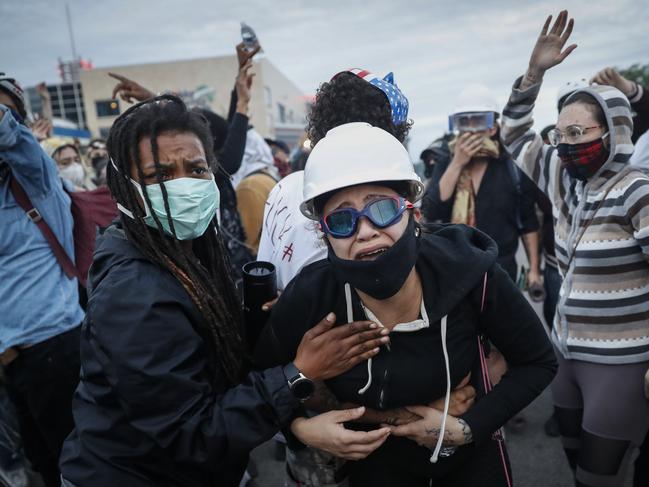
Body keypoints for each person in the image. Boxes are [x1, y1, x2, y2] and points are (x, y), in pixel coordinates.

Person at [58, 95, 391, 487]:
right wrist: (299, 374)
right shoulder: (135, 295)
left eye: (196, 169)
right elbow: (191, 434)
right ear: (123, 186)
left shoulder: (182, 248)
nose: (183, 184)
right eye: (160, 175)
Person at [255, 122, 557, 486]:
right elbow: (260, 375)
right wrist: (301, 428)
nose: (364, 230)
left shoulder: (470, 273)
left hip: (470, 466)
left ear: (413, 214)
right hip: (374, 471)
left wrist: (465, 428)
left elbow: (538, 361)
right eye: (341, 220)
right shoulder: (312, 295)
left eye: (381, 210)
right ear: (324, 236)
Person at [500, 10, 649, 487]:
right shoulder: (564, 181)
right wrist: (534, 73)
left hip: (622, 364)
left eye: (578, 133)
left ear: (613, 132)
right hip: (567, 357)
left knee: (600, 479)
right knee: (573, 467)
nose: (565, 145)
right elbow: (515, 134)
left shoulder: (637, 189)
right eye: (560, 134)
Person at [0, 76, 84, 487]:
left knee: (74, 466)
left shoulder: (38, 180)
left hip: (55, 353)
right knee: (41, 467)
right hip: (11, 365)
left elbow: (15, 141)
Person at [422, 84, 541, 286]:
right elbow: (432, 209)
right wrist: (458, 162)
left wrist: (534, 271)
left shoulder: (511, 166)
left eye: (477, 120)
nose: (470, 129)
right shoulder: (447, 159)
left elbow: (527, 222)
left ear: (492, 127)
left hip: (502, 271)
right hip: (456, 270)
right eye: (463, 122)